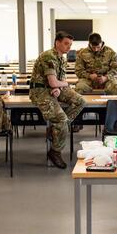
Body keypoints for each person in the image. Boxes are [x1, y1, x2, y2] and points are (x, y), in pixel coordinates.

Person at [29, 31, 85, 169]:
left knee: (80, 101)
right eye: (66, 44)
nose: (69, 47)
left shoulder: (62, 58)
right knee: (61, 120)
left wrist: (59, 88)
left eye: (70, 44)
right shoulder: (49, 56)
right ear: (57, 42)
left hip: (53, 89)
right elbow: (55, 82)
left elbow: (57, 82)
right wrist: (61, 85)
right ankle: (55, 151)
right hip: (40, 91)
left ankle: (56, 130)